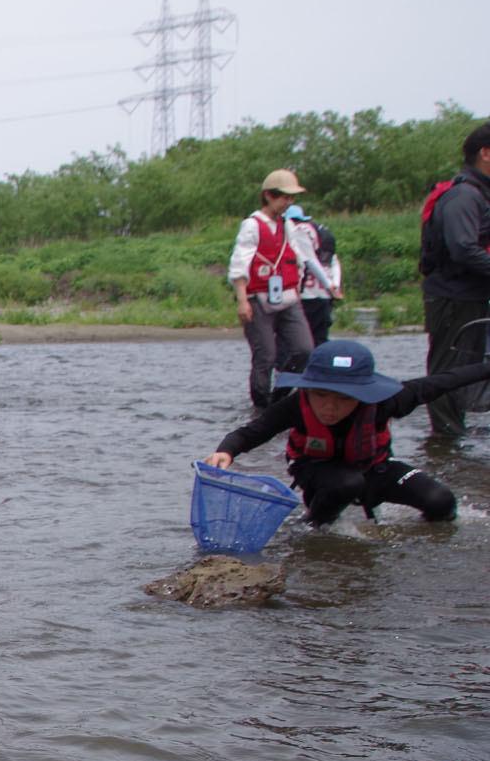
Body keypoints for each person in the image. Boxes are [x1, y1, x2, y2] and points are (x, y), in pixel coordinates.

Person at [202, 339, 490, 526]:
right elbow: (252, 432)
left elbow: (443, 381)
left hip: (374, 470)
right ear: (308, 389)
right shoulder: (295, 405)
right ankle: (314, 526)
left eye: (344, 398)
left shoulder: (386, 400)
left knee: (442, 502)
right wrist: (225, 451)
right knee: (346, 483)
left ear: (363, 394)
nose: (330, 407)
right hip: (318, 473)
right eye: (321, 395)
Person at [226, 168, 337, 408]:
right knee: (265, 356)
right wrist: (242, 300)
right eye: (285, 197)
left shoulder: (288, 226)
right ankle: (260, 405)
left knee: (305, 350)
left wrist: (299, 287)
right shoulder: (252, 226)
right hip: (258, 299)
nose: (289, 202)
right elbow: (239, 264)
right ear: (268, 196)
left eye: (291, 198)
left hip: (288, 298)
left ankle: (280, 397)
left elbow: (300, 258)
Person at [418, 121, 490, 437]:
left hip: (469, 295)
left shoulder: (478, 193)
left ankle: (454, 436)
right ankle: (446, 439)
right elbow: (463, 249)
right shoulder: (464, 195)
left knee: (463, 369)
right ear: (486, 154)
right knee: (448, 370)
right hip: (452, 297)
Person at [285, 205, 342, 346]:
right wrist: (335, 285)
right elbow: (334, 262)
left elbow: (310, 261)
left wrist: (330, 285)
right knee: (320, 339)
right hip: (325, 296)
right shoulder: (320, 231)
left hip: (308, 295)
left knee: (296, 341)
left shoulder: (297, 232)